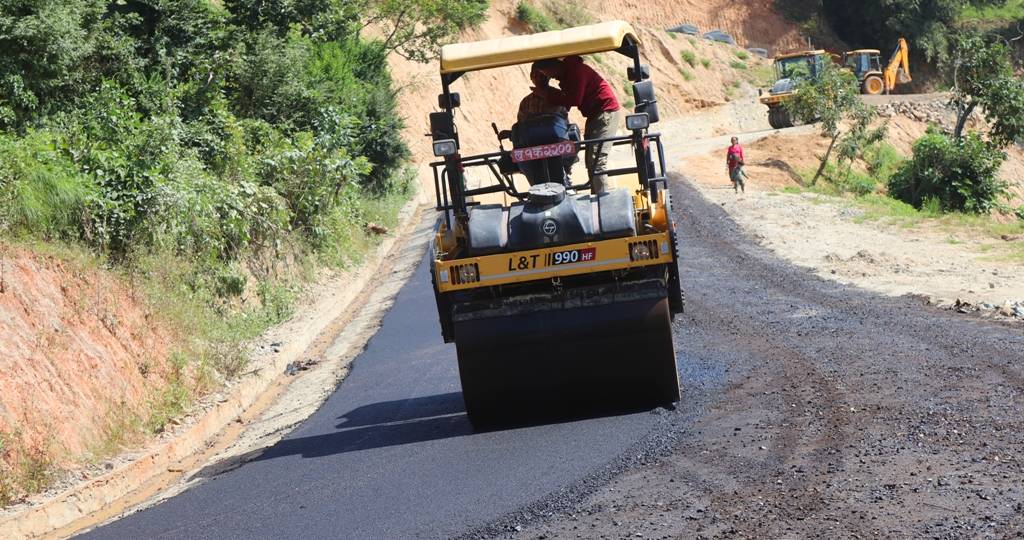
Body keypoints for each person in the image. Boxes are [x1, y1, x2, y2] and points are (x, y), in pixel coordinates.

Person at [530, 56, 621, 193]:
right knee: (591, 161)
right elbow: (567, 104)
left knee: (597, 160)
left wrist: (547, 95)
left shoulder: (575, 72)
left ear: (550, 68)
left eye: (545, 74)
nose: (549, 78)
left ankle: (602, 199)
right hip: (594, 115)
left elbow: (574, 100)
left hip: (604, 112)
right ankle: (597, 196)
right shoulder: (567, 76)